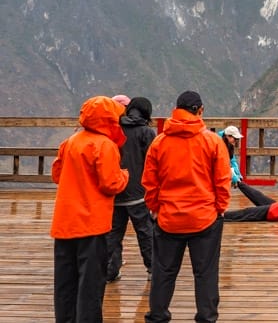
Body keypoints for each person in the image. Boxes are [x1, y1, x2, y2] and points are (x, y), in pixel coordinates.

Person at [142, 91, 231, 323]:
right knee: (205, 274)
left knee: (164, 273)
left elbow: (150, 183)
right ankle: (206, 317)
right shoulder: (212, 141)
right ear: (200, 110)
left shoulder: (159, 142)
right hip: (205, 219)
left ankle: (158, 316)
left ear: (176, 109)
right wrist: (220, 207)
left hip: (169, 219)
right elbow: (222, 180)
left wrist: (155, 208)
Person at [51, 95, 129, 323]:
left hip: (65, 223)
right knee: (91, 284)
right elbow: (111, 184)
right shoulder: (105, 145)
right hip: (92, 224)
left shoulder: (71, 141)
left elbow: (57, 175)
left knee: (65, 282)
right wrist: (125, 175)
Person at [106, 96, 156, 282]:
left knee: (113, 233)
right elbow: (153, 163)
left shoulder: (113, 129)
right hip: (138, 192)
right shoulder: (146, 132)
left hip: (115, 189)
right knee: (145, 231)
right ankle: (152, 269)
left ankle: (111, 271)